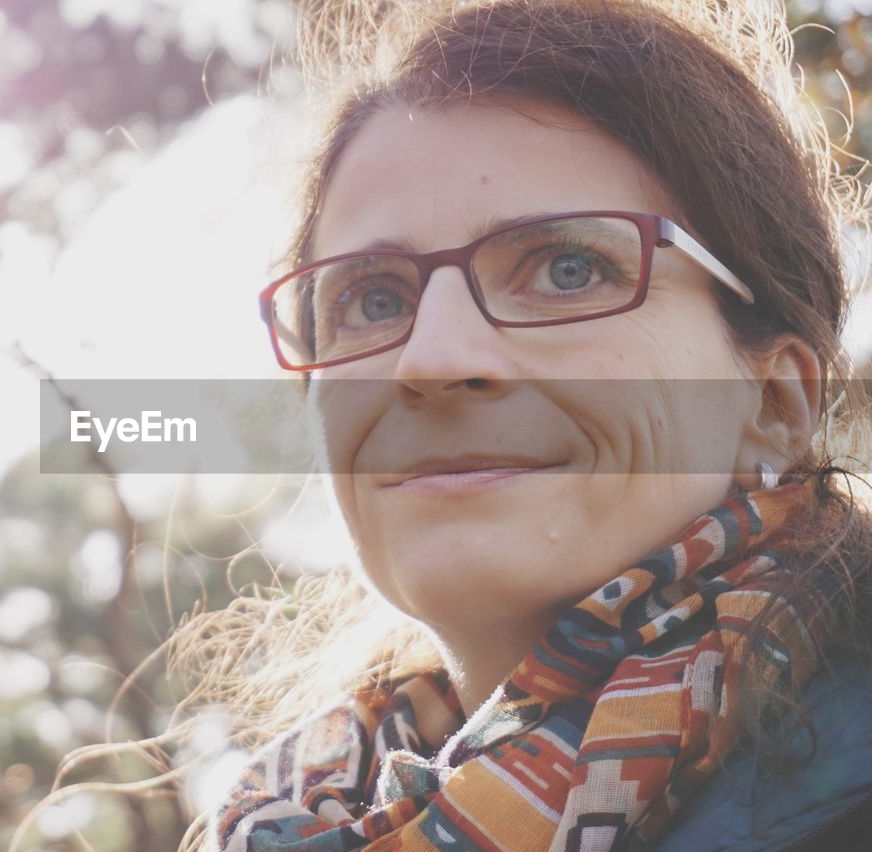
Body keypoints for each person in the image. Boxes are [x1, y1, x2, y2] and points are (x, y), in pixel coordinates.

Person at [190, 0, 872, 849]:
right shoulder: (280, 815)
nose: (431, 358)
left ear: (773, 402)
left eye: (567, 268)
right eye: (373, 299)